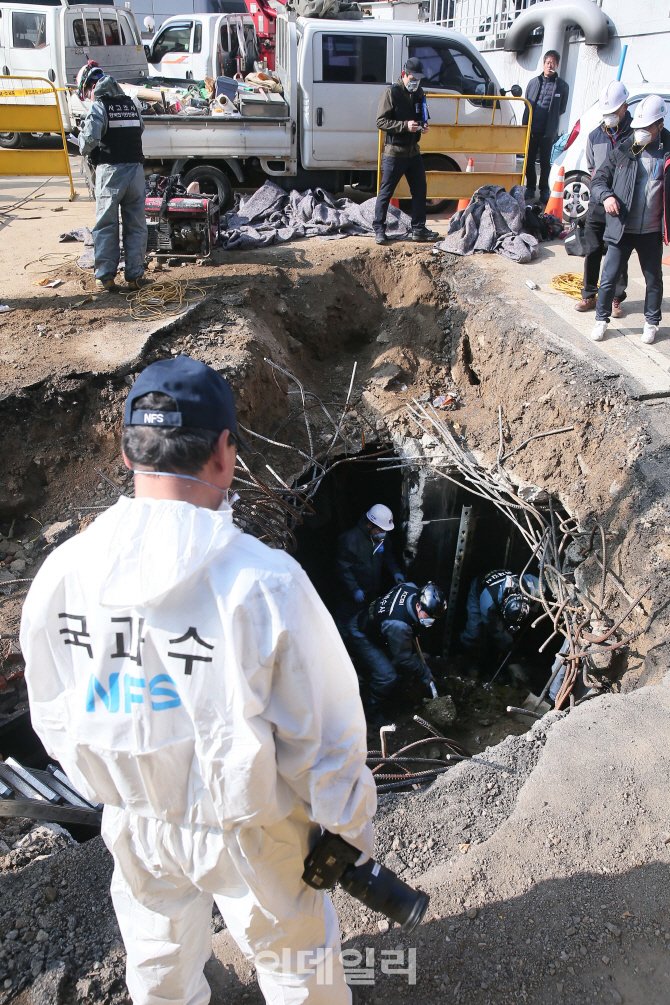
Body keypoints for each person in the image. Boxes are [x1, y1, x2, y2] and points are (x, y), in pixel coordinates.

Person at [20, 355, 376, 1005]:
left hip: (136, 822)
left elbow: (55, 716)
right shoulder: (263, 584)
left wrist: (118, 784)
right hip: (253, 827)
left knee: (157, 958)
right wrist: (345, 836)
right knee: (297, 962)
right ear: (224, 452)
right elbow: (327, 742)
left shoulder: (64, 575)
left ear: (128, 455)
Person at [590, 94, 670, 345]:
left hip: (652, 230)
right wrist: (606, 197)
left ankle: (651, 322)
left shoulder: (667, 149)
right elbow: (599, 179)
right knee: (609, 276)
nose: (641, 133)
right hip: (622, 226)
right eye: (638, 128)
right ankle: (601, 320)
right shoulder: (627, 148)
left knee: (653, 278)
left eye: (647, 128)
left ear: (660, 124)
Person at [75, 61, 150, 293]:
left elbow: (88, 141)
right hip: (136, 171)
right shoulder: (131, 104)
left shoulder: (99, 106)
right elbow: (139, 130)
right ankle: (135, 276)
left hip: (111, 173)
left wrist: (82, 142)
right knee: (136, 225)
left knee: (106, 225)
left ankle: (106, 277)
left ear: (90, 88)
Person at [348, 581, 447, 720]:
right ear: (418, 605)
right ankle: (371, 711)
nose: (431, 621)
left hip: (372, 622)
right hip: (361, 634)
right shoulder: (399, 626)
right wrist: (424, 672)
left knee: (399, 658)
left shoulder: (411, 588)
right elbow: (404, 658)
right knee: (388, 676)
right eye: (429, 616)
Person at [574, 81, 633, 315]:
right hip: (598, 203)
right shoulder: (595, 136)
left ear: (624, 108)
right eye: (606, 112)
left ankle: (616, 298)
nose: (609, 116)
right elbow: (592, 168)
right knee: (593, 248)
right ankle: (589, 294)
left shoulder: (632, 137)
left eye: (613, 112)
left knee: (618, 251)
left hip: (621, 204)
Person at [373, 57, 439, 246]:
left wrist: (424, 126)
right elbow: (381, 121)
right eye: (412, 79)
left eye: (418, 79)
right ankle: (379, 229)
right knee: (386, 192)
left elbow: (423, 114)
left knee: (420, 190)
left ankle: (418, 229)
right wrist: (404, 125)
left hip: (413, 151)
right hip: (394, 152)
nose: (415, 83)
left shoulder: (419, 93)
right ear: (404, 75)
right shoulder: (390, 93)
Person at [335, 503, 403, 631]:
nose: (383, 534)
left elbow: (388, 557)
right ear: (369, 524)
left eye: (385, 531)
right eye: (380, 530)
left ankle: (359, 646)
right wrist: (355, 589)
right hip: (350, 596)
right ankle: (343, 646)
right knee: (345, 623)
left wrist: (396, 572)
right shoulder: (350, 540)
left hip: (371, 594)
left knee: (364, 624)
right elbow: (343, 568)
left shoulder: (382, 538)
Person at [522, 50, 570, 204]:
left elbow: (561, 108)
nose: (550, 66)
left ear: (557, 65)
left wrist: (551, 121)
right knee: (528, 160)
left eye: (553, 63)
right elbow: (526, 103)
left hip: (547, 132)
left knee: (544, 163)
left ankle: (544, 190)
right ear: (543, 64)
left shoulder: (562, 86)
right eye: (548, 63)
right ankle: (530, 187)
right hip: (531, 129)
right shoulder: (533, 82)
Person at [460, 569, 540, 653]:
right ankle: (466, 654)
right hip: (480, 588)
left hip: (500, 577)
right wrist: (508, 643)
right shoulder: (488, 603)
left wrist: (534, 611)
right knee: (474, 632)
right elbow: (495, 628)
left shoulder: (531, 585)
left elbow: (541, 589)